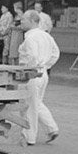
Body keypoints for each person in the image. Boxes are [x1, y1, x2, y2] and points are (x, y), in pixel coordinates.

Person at [18, 9, 61, 145]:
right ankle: (51, 128)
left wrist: (32, 68)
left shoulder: (30, 37)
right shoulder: (46, 36)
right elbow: (55, 53)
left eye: (24, 19)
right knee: (36, 102)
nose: (21, 21)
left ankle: (29, 137)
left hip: (32, 74)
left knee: (30, 105)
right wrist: (46, 65)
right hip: (43, 74)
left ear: (32, 21)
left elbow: (33, 56)